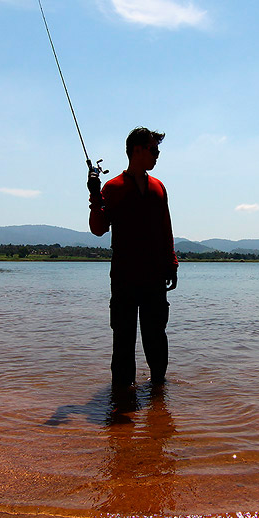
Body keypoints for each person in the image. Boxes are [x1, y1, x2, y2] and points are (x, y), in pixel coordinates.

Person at [88, 127, 179, 387]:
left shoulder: (159, 188)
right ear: (136, 150)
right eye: (153, 149)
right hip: (124, 280)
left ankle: (158, 399)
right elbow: (97, 228)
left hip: (154, 279)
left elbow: (166, 230)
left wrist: (172, 265)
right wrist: (95, 194)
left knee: (156, 340)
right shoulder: (113, 188)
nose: (157, 154)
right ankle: (121, 407)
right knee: (123, 343)